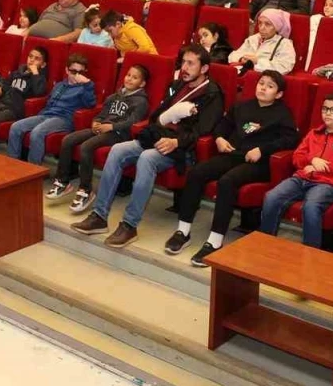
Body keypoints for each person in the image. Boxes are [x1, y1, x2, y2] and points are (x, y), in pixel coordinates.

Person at [71, 45, 224, 248]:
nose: (185, 68)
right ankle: (99, 216)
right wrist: (163, 121)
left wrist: (177, 142)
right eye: (183, 62)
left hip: (180, 148)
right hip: (157, 137)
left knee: (147, 158)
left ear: (204, 68)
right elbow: (156, 117)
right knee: (117, 150)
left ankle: (129, 225)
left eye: (191, 63)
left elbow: (204, 130)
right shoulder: (177, 85)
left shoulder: (212, 93)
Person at [167, 71, 301, 266]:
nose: (263, 88)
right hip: (233, 154)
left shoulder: (282, 114)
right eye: (261, 83)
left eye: (270, 86)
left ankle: (215, 240)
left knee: (227, 181)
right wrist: (219, 139)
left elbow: (291, 139)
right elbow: (222, 125)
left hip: (259, 163)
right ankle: (183, 230)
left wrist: (262, 150)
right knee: (197, 172)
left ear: (279, 94)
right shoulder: (242, 106)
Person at [259, 90, 333, 248]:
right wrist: (312, 159)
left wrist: (325, 166)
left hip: (329, 184)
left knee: (311, 206)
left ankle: (310, 252)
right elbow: (297, 156)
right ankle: (264, 244)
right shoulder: (313, 134)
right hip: (302, 178)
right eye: (325, 109)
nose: (328, 113)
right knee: (271, 197)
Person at [46, 64, 151, 212]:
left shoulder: (141, 101)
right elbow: (102, 114)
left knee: (86, 146)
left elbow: (133, 122)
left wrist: (112, 127)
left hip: (118, 134)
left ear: (142, 83)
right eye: (128, 75)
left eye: (135, 77)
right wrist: (96, 121)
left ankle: (85, 190)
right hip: (102, 129)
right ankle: (63, 181)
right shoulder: (115, 96)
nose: (129, 79)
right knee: (68, 140)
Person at [6, 53, 96, 164]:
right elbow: (49, 102)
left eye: (80, 72)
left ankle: (34, 168)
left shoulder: (85, 88)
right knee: (16, 127)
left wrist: (87, 84)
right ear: (67, 70)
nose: (77, 75)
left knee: (37, 132)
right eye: (73, 71)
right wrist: (41, 115)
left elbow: (90, 104)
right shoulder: (59, 85)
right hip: (46, 115)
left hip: (64, 119)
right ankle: (12, 163)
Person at [230, 8, 297, 74]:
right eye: (260, 23)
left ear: (277, 27)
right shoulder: (253, 38)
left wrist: (257, 62)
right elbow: (233, 55)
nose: (262, 28)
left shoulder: (285, 44)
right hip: (243, 73)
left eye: (267, 24)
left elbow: (284, 67)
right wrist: (241, 58)